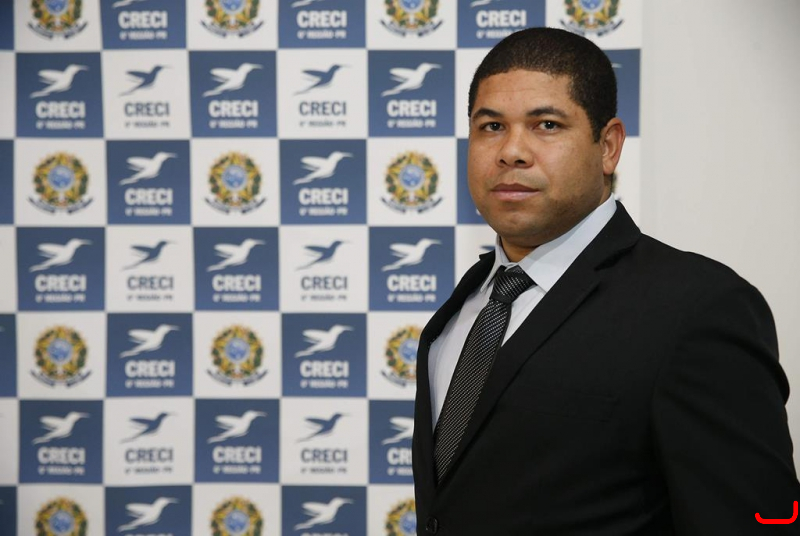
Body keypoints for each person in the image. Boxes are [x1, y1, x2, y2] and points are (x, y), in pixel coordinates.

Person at [412, 27, 800, 535]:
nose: (512, 151)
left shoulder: (698, 308)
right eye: (491, 127)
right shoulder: (466, 306)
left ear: (609, 146)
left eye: (546, 125)